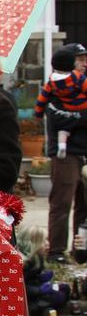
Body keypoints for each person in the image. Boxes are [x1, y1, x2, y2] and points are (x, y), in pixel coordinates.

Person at [43, 43, 87, 261]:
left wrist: (75, 119)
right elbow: (57, 118)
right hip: (65, 154)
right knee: (62, 201)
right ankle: (56, 251)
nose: (84, 63)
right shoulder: (56, 85)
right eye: (80, 59)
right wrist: (80, 117)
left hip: (83, 152)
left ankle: (81, 249)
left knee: (84, 205)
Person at [17, 225, 70, 316]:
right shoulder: (24, 263)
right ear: (32, 244)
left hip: (36, 293)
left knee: (65, 288)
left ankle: (45, 307)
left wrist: (42, 278)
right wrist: (39, 290)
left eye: (47, 240)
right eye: (43, 241)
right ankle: (41, 309)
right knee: (55, 296)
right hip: (25, 299)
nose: (47, 243)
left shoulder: (38, 258)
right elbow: (22, 287)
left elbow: (34, 279)